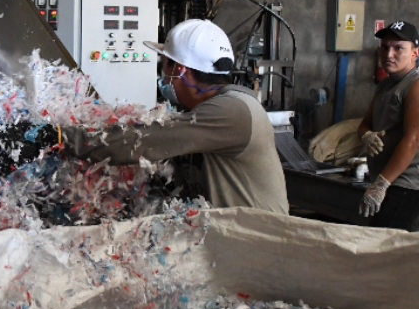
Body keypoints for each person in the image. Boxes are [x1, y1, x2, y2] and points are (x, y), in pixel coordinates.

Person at [61, 19, 289, 214]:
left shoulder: (232, 112)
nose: (162, 75)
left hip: (256, 243)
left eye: (165, 65)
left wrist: (61, 138)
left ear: (180, 70)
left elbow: (142, 142)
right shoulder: (208, 109)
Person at [358, 21, 419, 230]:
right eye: (385, 47)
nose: (389, 54)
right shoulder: (386, 86)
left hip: (406, 185)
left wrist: (381, 184)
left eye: (398, 48)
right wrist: (366, 135)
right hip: (388, 180)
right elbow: (365, 123)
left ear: (415, 53)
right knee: (400, 251)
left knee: (382, 247)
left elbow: (413, 140)